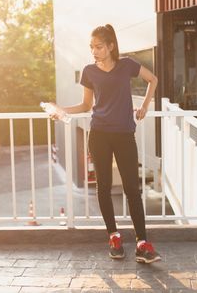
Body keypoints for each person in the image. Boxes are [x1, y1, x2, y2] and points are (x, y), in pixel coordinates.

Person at [47, 24, 161, 263]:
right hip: (99, 135)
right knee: (104, 187)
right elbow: (85, 106)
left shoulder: (127, 65)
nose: (95, 51)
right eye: (92, 47)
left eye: (99, 47)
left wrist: (145, 106)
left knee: (132, 188)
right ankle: (114, 237)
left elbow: (153, 79)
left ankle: (142, 243)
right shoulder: (89, 71)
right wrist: (60, 109)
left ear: (111, 46)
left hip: (124, 135)